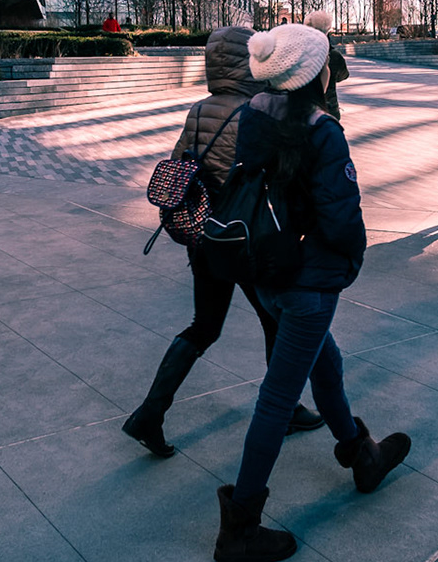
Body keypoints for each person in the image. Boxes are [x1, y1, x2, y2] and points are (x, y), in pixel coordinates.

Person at [213, 22, 411, 562]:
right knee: (278, 399)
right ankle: (240, 528)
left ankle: (361, 455)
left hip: (265, 269)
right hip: (308, 281)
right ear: (315, 73)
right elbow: (341, 218)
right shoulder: (323, 131)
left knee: (327, 362)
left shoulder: (254, 113)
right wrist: (347, 265)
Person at [123, 27, 325, 459]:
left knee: (203, 327)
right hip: (246, 240)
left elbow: (181, 164)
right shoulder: (257, 111)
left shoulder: (198, 109)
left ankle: (149, 414)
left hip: (205, 238)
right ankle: (285, 410)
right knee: (276, 322)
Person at [302, 10, 350, 120]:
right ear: (327, 30)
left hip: (305, 109)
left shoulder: (301, 54)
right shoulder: (334, 55)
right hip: (330, 108)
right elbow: (344, 75)